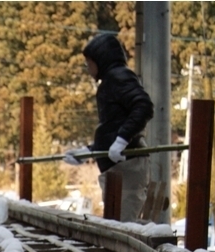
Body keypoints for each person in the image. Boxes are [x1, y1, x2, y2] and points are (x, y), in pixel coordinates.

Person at [64, 33, 154, 222]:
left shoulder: (119, 77)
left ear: (101, 60)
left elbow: (143, 106)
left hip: (128, 166)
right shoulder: (110, 82)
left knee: (124, 227)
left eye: (89, 62)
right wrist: (89, 151)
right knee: (117, 224)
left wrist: (122, 140)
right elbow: (112, 127)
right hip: (118, 166)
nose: (87, 68)